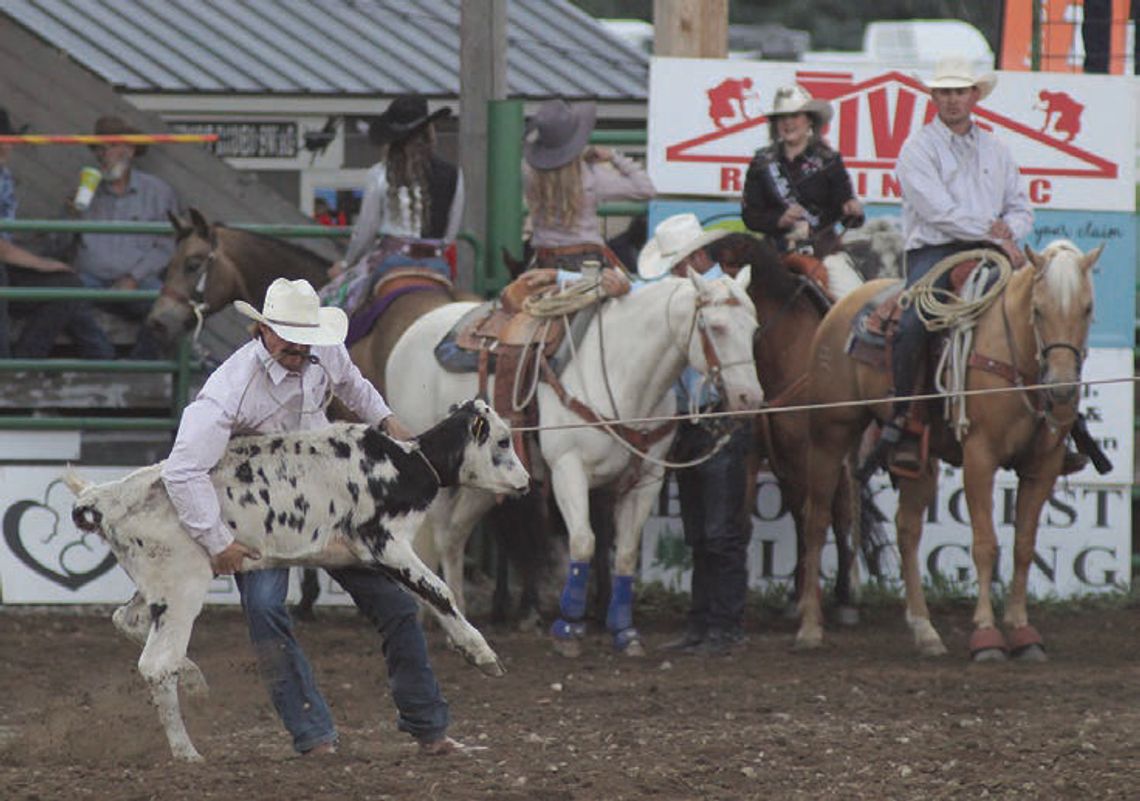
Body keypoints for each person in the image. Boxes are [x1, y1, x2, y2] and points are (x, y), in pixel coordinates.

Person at [160, 277, 462, 757]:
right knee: (265, 609)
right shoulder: (230, 389)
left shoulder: (325, 353)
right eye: (288, 336)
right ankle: (313, 735)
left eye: (305, 336)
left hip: (332, 503)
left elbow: (355, 387)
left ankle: (429, 727)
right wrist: (217, 540)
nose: (300, 346)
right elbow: (182, 470)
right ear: (262, 331)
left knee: (399, 605)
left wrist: (387, 422)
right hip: (265, 515)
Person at [873, 57, 1034, 475]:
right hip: (937, 252)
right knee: (913, 324)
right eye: (943, 92)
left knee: (1045, 311)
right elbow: (938, 212)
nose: (951, 100)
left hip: (993, 251)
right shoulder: (917, 149)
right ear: (933, 97)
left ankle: (1061, 423)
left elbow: (1021, 207)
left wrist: (1008, 231)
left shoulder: (997, 150)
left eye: (959, 91)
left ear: (974, 96)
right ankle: (906, 420)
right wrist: (995, 231)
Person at [638, 214, 753, 656]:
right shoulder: (686, 297)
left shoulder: (722, 292)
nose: (673, 274)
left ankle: (724, 625)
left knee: (719, 530)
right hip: (691, 419)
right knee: (702, 530)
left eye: (677, 265)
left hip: (717, 417)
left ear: (696, 258)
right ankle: (706, 623)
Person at [0, 107, 114, 359]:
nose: (7, 148)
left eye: (8, 142)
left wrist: (47, 258)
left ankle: (24, 363)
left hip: (10, 265)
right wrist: (43, 264)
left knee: (67, 285)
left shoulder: (4, 177)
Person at [72, 115, 180, 359]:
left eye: (110, 146)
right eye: (99, 149)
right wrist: (69, 214)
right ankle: (103, 360)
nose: (103, 154)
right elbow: (58, 242)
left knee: (167, 310)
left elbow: (167, 245)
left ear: (129, 150)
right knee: (62, 298)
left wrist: (134, 277)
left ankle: (139, 367)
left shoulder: (157, 192)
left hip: (139, 282)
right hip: (91, 281)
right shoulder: (85, 192)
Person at [522, 97, 654, 297]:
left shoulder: (530, 174)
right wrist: (614, 157)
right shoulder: (591, 177)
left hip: (543, 260)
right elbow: (645, 188)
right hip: (587, 262)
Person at [339, 94, 463, 273]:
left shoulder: (379, 174)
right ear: (430, 132)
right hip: (436, 265)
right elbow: (450, 235)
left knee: (337, 295)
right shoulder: (455, 174)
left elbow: (367, 229)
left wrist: (346, 263)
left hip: (391, 261)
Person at [741, 84, 863, 255]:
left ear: (809, 120)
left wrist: (854, 211)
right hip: (775, 253)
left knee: (846, 281)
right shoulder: (761, 163)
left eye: (795, 115)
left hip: (823, 252)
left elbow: (850, 217)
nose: (788, 122)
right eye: (782, 116)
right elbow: (750, 217)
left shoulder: (829, 161)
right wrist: (779, 220)